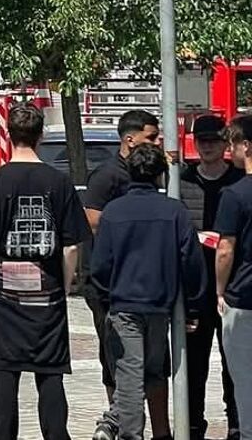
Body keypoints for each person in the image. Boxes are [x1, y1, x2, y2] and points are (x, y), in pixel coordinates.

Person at [0, 102, 88, 440]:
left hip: (5, 296)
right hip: (47, 296)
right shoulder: (59, 182)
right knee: (50, 375)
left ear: (8, 133)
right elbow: (70, 246)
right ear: (41, 136)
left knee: (5, 378)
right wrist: (64, 287)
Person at [91, 143, 208, 440]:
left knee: (129, 376)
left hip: (124, 303)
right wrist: (193, 304)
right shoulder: (174, 211)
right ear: (160, 175)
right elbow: (191, 261)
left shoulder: (114, 212)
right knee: (156, 371)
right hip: (161, 305)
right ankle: (161, 433)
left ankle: (131, 434)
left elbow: (100, 264)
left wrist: (106, 295)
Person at [81, 109, 172, 440]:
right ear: (129, 139)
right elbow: (92, 220)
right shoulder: (108, 176)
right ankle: (120, 426)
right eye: (151, 137)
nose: (158, 141)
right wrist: (131, 226)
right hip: (110, 286)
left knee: (153, 365)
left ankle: (158, 430)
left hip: (142, 284)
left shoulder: (152, 175)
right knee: (117, 362)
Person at [180, 114, 243, 440]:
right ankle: (192, 426)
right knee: (193, 365)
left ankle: (236, 423)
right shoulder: (183, 181)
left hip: (232, 288)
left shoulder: (238, 182)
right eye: (201, 140)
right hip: (194, 289)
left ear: (225, 144)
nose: (207, 146)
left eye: (213, 141)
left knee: (237, 363)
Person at [216, 115, 252, 440]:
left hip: (244, 299)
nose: (229, 151)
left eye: (232, 144)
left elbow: (225, 249)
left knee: (245, 381)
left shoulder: (235, 194)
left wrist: (219, 290)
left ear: (247, 146)